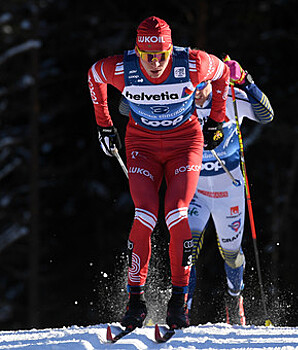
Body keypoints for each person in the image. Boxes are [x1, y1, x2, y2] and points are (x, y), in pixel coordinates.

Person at [87, 16, 229, 330]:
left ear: (170, 50)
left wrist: (217, 119)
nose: (154, 63)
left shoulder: (191, 64)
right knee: (145, 214)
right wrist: (104, 125)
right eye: (147, 56)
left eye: (161, 55)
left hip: (185, 143)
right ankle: (135, 301)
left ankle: (178, 302)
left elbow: (223, 73)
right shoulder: (122, 69)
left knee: (176, 212)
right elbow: (94, 75)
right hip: (142, 145)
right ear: (137, 51)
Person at [187, 57, 274, 325]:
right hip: (196, 189)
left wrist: (246, 80)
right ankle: (181, 308)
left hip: (229, 192)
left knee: (232, 255)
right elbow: (128, 107)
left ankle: (235, 298)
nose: (197, 92)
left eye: (203, 85)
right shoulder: (180, 102)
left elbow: (267, 115)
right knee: (184, 249)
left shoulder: (229, 97)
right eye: (192, 85)